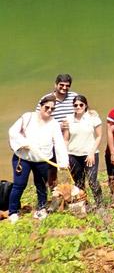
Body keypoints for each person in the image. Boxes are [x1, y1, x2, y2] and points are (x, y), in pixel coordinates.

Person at [8, 95, 69, 223]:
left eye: (52, 109)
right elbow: (13, 131)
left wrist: (63, 162)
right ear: (40, 106)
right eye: (47, 107)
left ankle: (41, 209)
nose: (49, 110)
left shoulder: (54, 124)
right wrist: (22, 142)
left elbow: (59, 143)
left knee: (41, 185)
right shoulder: (28, 117)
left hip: (42, 160)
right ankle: (12, 212)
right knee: (19, 185)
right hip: (23, 158)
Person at [36, 74, 78, 189]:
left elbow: (82, 110)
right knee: (52, 168)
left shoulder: (74, 96)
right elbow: (38, 118)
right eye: (61, 85)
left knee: (72, 165)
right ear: (55, 85)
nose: (64, 88)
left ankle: (73, 192)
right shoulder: (47, 99)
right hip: (53, 138)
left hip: (71, 137)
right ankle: (54, 191)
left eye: (67, 86)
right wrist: (57, 126)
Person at [62, 95, 103, 208]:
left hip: (90, 154)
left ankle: (100, 204)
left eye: (81, 105)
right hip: (73, 155)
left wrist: (91, 153)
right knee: (79, 183)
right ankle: (84, 204)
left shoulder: (93, 117)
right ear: (73, 106)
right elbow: (65, 139)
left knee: (92, 181)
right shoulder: (68, 119)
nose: (78, 107)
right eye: (75, 105)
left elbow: (99, 136)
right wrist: (65, 156)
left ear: (85, 105)